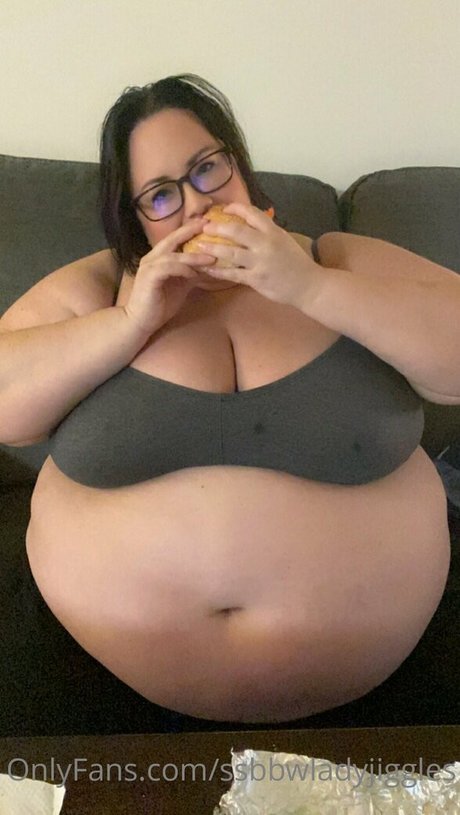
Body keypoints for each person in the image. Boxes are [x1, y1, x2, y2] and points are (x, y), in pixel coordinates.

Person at [0, 74, 458, 737]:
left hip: (386, 692)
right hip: (97, 689)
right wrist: (128, 324)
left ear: (238, 163)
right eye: (161, 195)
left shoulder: (334, 258)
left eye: (206, 169)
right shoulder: (102, 284)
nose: (196, 204)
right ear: (136, 218)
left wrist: (307, 286)